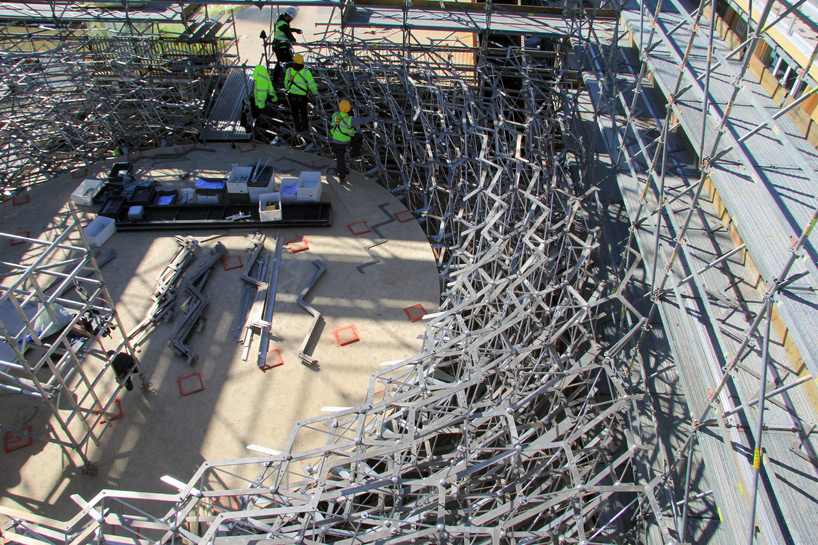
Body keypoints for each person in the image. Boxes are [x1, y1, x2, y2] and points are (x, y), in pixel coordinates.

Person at [330, 99, 375, 183]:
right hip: (346, 142)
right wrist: (373, 116)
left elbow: (338, 114)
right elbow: (363, 120)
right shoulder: (350, 119)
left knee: (340, 159)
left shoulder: (335, 115)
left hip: (336, 141)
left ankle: (342, 176)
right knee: (358, 137)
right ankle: (355, 152)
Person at [284, 53, 318, 134]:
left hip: (292, 95)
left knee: (295, 113)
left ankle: (297, 129)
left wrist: (289, 89)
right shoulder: (306, 72)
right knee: (303, 112)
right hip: (302, 96)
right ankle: (305, 128)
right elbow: (312, 85)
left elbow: (285, 83)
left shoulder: (289, 71)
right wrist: (315, 93)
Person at [271, 7, 302, 84]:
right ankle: (276, 79)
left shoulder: (282, 20)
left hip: (281, 46)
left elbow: (287, 29)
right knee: (282, 63)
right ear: (288, 16)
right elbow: (288, 33)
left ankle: (286, 77)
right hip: (280, 47)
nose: (292, 20)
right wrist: (294, 40)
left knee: (287, 62)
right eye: (291, 18)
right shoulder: (283, 24)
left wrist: (295, 30)